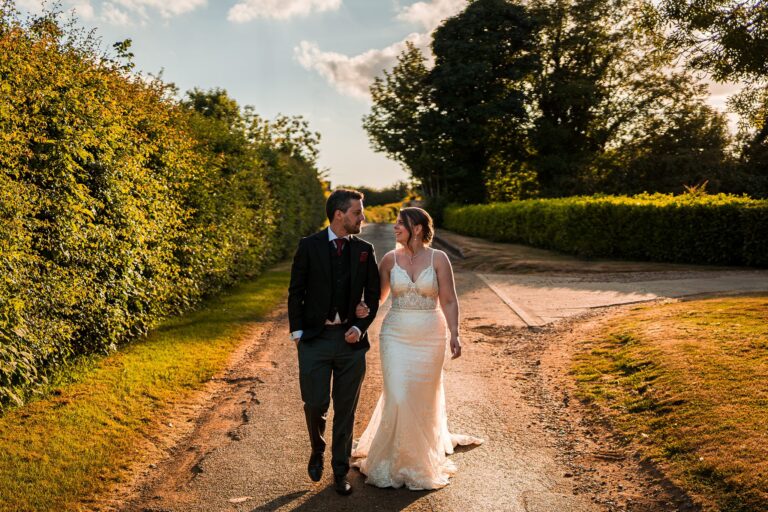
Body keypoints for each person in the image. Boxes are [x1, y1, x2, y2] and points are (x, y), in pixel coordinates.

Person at [351, 207, 483, 490]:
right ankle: (391, 460)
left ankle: (418, 461)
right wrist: (363, 309)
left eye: (400, 224)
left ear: (419, 228)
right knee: (398, 395)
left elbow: (448, 300)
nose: (395, 227)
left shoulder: (439, 258)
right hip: (395, 334)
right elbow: (378, 298)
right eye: (396, 223)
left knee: (422, 397)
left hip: (430, 336)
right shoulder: (389, 259)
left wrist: (455, 333)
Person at [287, 189, 381, 495]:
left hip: (351, 345)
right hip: (314, 340)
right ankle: (317, 447)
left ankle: (339, 471)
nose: (362, 217)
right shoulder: (309, 246)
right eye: (357, 212)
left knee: (346, 410)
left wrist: (361, 325)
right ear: (339, 214)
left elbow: (373, 296)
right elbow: (295, 291)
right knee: (315, 403)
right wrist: (298, 333)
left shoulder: (365, 249)